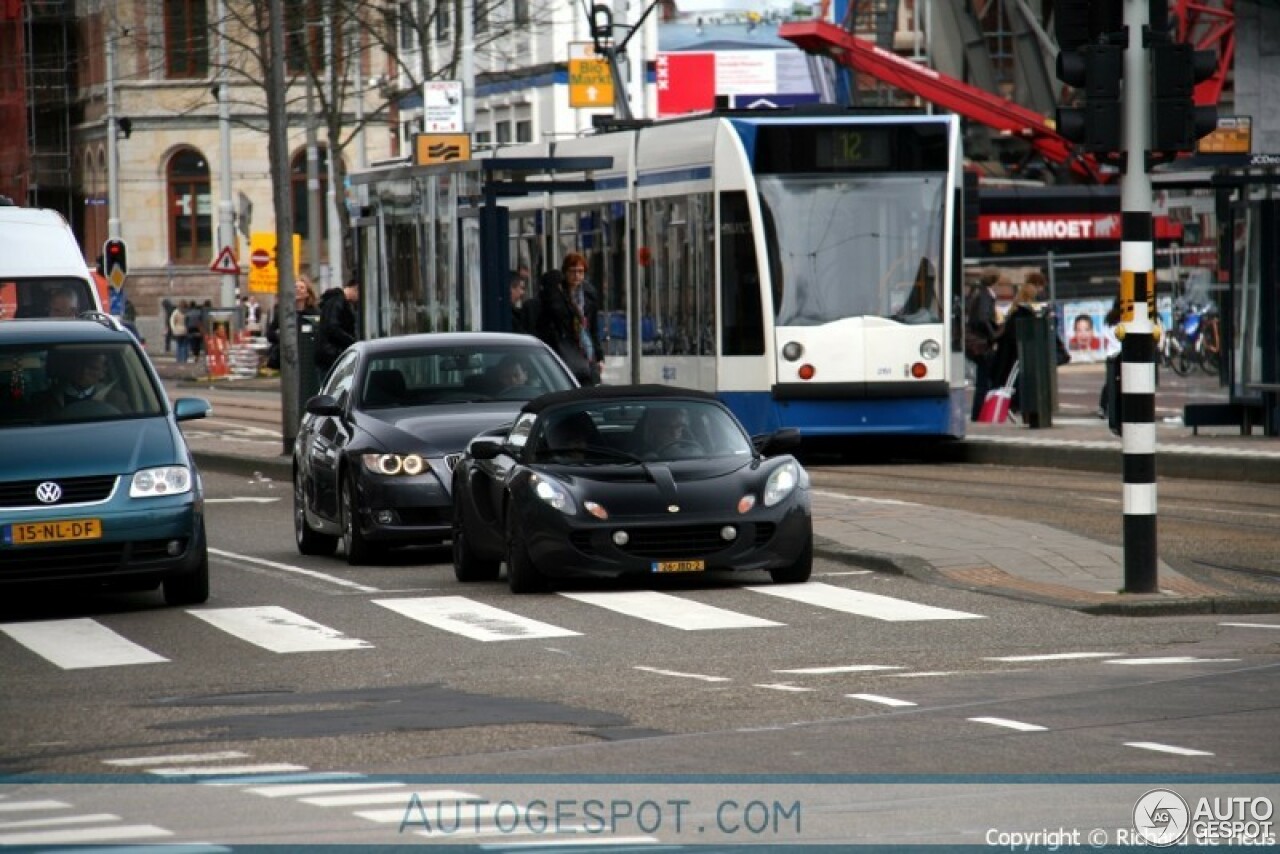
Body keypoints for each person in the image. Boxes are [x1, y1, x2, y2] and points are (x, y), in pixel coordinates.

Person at [534, 253, 603, 386]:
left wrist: (599, 357)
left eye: (580, 272)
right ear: (565, 272)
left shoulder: (589, 295)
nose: (577, 275)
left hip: (585, 348)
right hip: (564, 347)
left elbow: (593, 328)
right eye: (572, 271)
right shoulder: (556, 294)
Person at [990, 281, 1041, 415]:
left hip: (1008, 354)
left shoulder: (1014, 311)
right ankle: (1015, 405)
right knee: (1017, 380)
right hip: (1017, 354)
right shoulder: (1025, 313)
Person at [32, 350, 128, 415]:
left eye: (93, 368)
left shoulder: (116, 399)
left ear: (103, 372)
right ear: (70, 367)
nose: (84, 372)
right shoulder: (41, 401)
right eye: (80, 366)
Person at [966, 272, 1001, 422]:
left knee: (983, 379)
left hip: (974, 342)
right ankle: (981, 413)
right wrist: (993, 334)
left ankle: (979, 413)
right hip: (981, 343)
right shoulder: (986, 295)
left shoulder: (976, 292)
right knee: (984, 380)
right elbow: (983, 318)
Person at [266, 277, 318, 370]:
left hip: (307, 357)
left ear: (307, 294)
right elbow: (270, 334)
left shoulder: (315, 313)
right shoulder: (282, 312)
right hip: (288, 358)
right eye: (295, 287)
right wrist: (283, 338)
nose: (298, 289)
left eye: (301, 288)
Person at [315, 278, 359, 376]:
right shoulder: (338, 301)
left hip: (328, 354)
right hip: (331, 355)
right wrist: (352, 341)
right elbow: (332, 327)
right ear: (356, 288)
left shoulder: (334, 301)